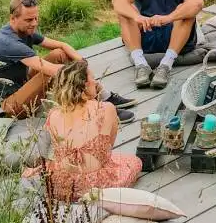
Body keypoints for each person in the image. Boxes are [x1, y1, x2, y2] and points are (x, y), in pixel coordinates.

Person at [0, 0, 134, 121]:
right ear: (13, 18)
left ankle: (105, 96)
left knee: (60, 54)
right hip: (5, 106)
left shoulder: (24, 30)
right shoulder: (7, 42)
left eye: (36, 18)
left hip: (18, 86)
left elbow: (63, 45)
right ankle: (96, 109)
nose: (34, 23)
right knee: (53, 73)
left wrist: (83, 64)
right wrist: (86, 75)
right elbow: (52, 70)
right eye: (29, 20)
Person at [23, 60, 142, 201]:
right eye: (93, 79)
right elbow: (107, 147)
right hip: (99, 185)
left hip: (63, 185)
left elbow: (49, 149)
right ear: (85, 84)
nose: (96, 82)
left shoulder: (53, 114)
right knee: (134, 161)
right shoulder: (106, 108)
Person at [112, 0, 204, 89]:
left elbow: (197, 3)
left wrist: (168, 18)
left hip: (175, 38)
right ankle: (141, 65)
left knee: (185, 10)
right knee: (125, 10)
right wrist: (138, 17)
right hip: (146, 35)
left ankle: (166, 65)